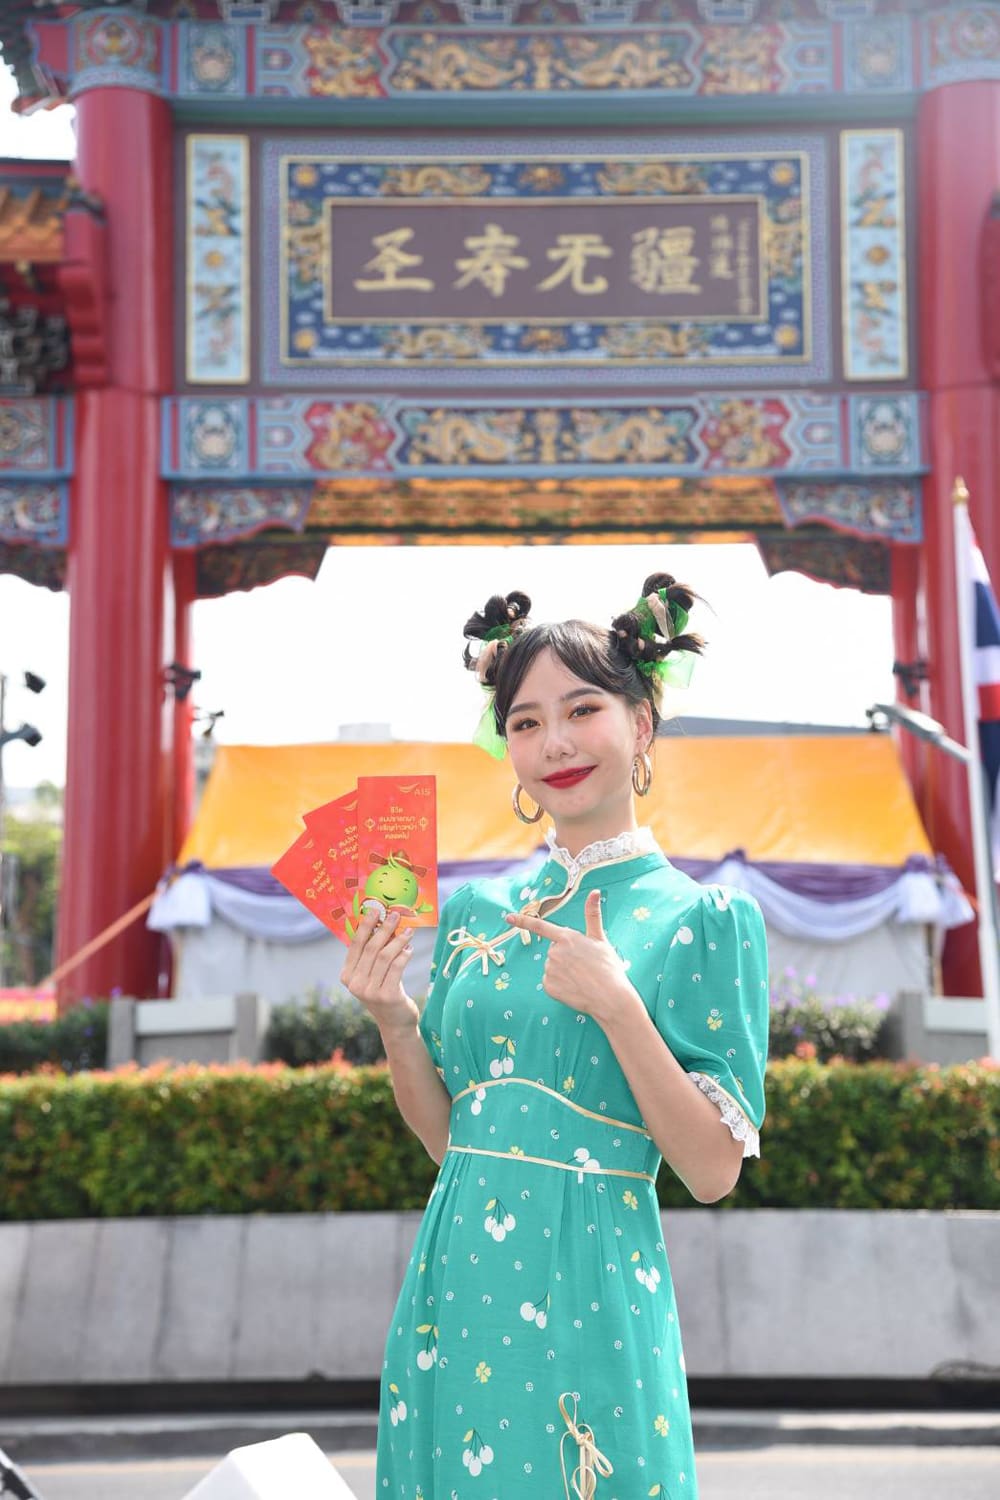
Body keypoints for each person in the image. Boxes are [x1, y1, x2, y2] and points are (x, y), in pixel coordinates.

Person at [342, 572, 770, 1500]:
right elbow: (450, 1140)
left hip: (592, 1285)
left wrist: (619, 1008)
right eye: (526, 722)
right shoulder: (474, 913)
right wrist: (396, 1023)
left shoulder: (702, 921)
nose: (555, 743)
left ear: (641, 724)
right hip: (456, 1286)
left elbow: (711, 1171)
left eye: (582, 710)